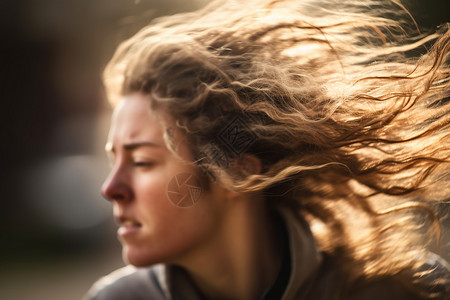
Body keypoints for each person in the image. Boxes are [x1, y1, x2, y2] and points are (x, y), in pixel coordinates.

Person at [84, 0, 450, 299]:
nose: (110, 188)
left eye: (143, 161)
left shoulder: (402, 289)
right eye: (114, 159)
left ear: (238, 172)